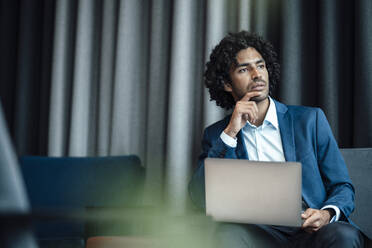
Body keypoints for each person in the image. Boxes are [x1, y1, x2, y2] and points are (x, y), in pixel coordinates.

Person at [188, 31, 365, 247]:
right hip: (256, 233)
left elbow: (342, 186)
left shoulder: (310, 120)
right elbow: (199, 197)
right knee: (227, 235)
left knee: (343, 235)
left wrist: (326, 214)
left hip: (310, 230)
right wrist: (230, 133)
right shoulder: (217, 135)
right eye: (244, 69)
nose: (256, 74)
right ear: (226, 83)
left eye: (260, 66)